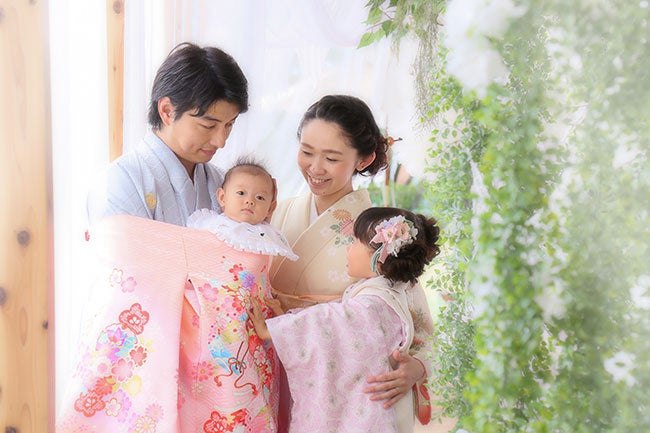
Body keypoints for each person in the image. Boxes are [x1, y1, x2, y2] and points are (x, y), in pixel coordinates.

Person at [57, 161, 297, 433]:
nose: (249, 201)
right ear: (222, 197)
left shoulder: (269, 238)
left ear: (271, 206)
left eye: (260, 197)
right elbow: (168, 246)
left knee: (256, 392)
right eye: (241, 193)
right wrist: (112, 235)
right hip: (222, 331)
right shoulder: (211, 229)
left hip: (256, 332)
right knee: (227, 396)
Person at [269, 95, 436, 416]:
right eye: (306, 152)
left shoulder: (382, 234)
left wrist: (417, 367)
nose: (315, 168)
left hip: (339, 385)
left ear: (364, 159)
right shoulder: (277, 211)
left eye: (331, 158)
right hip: (272, 365)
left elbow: (419, 326)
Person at [251, 207, 441, 433]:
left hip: (378, 403)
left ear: (380, 258)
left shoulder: (373, 305)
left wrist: (279, 329)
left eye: (354, 241)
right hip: (384, 404)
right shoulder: (389, 290)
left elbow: (333, 321)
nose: (348, 248)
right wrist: (286, 319)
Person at [86, 42, 249, 227]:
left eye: (229, 125)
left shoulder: (225, 184)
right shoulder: (119, 183)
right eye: (208, 125)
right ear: (167, 111)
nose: (221, 141)